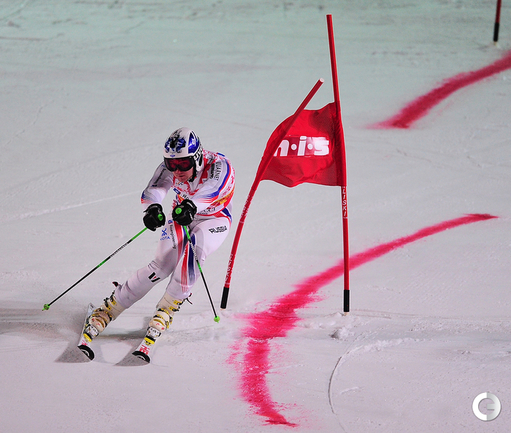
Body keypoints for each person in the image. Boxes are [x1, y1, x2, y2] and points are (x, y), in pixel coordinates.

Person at [83, 127, 235, 351]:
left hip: (214, 219)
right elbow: (155, 188)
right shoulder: (171, 168)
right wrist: (152, 208)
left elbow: (212, 190)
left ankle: (166, 309)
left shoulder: (219, 165)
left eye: (183, 164)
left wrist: (192, 205)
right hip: (181, 214)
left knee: (194, 252)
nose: (177, 171)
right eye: (171, 164)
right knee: (161, 265)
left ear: (197, 158)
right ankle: (109, 309)